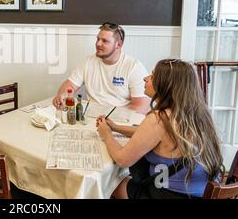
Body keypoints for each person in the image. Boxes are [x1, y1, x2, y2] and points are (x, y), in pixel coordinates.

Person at [96, 59, 223, 199]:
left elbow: (122, 159)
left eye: (152, 76)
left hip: (170, 195)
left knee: (110, 183)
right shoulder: (198, 114)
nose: (146, 78)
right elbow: (152, 136)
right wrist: (116, 127)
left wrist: (107, 134)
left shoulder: (159, 119)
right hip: (201, 193)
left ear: (165, 85)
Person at [52, 22, 150, 113]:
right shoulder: (88, 62)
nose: (98, 44)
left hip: (121, 120)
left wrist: (111, 117)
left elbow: (141, 107)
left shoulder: (134, 67)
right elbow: (70, 85)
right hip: (91, 116)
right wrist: (62, 95)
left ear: (118, 45)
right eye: (98, 39)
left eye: (105, 41)